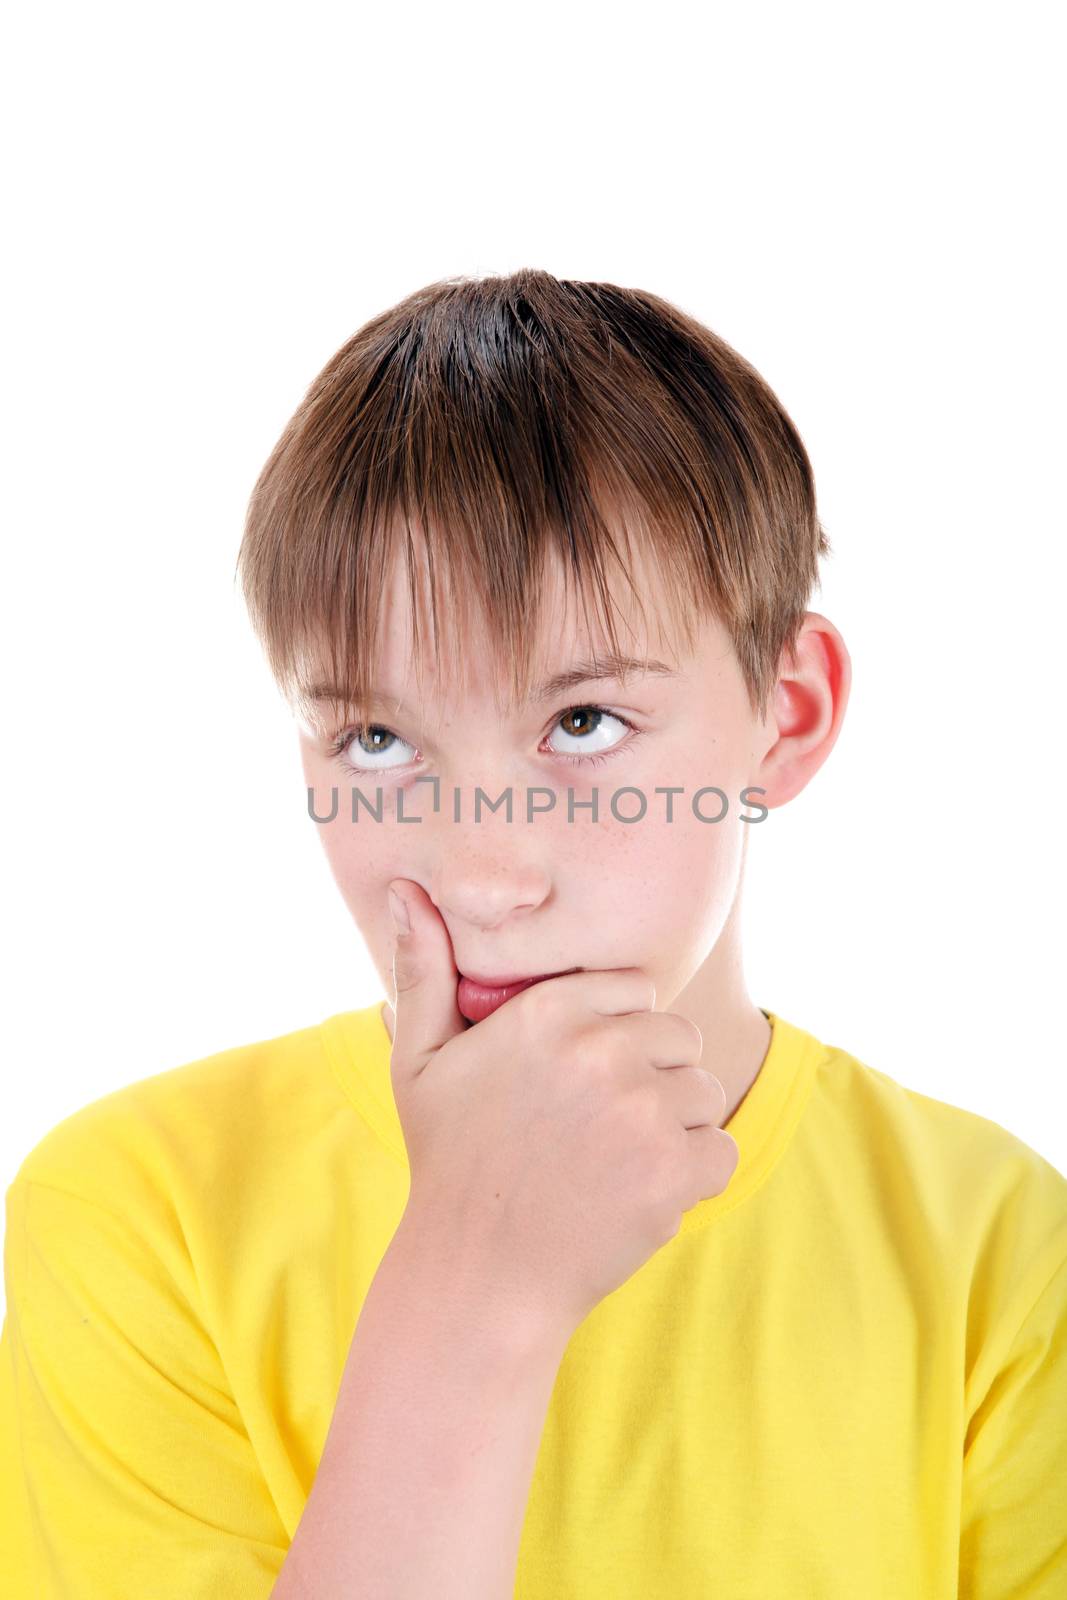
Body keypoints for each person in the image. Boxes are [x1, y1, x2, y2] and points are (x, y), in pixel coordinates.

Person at [2, 270, 1064, 1598]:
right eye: (378, 740)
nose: (485, 873)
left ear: (783, 716)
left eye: (583, 725)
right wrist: (475, 1286)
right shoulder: (138, 1208)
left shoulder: (999, 1248)